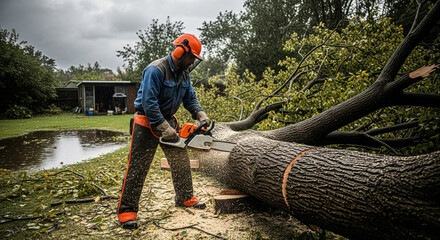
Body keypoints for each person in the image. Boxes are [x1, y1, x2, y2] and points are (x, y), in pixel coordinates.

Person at [117, 33, 211, 229]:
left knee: (181, 161)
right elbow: (148, 102)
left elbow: (190, 99)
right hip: (146, 122)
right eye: (191, 57)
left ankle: (185, 197)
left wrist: (201, 115)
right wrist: (163, 127)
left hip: (169, 120)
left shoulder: (184, 73)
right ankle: (127, 211)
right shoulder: (156, 70)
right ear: (180, 52)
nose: (193, 61)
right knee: (138, 167)